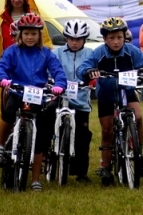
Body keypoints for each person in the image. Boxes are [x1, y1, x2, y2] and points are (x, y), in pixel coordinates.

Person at [0, 13, 67, 192]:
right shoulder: (12, 51)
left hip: (38, 95)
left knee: (38, 139)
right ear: (20, 34)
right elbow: (1, 66)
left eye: (34, 34)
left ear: (40, 35)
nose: (30, 37)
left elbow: (58, 71)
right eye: (26, 33)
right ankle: (1, 145)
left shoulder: (46, 53)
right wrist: (2, 79)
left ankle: (35, 180)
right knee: (9, 111)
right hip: (17, 91)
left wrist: (59, 85)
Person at [78, 17, 143, 186]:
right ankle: (105, 167)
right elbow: (83, 67)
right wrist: (89, 71)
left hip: (127, 91)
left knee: (138, 118)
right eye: (111, 38)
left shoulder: (130, 50)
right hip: (106, 95)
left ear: (124, 37)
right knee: (107, 131)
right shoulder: (98, 52)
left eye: (119, 37)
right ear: (105, 39)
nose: (116, 41)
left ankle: (139, 154)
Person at [0, 0, 52, 151]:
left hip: (32, 70)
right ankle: (3, 146)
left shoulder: (35, 17)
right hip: (7, 71)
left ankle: (37, 148)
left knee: (37, 111)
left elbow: (46, 45)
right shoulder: (0, 18)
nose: (16, 0)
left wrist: (49, 72)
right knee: (8, 109)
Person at [52, 19, 94, 182]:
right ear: (66, 38)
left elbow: (95, 71)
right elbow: (48, 70)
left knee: (83, 136)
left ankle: (81, 173)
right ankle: (48, 157)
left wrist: (93, 79)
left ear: (85, 39)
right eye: (71, 39)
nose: (74, 43)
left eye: (78, 39)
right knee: (48, 123)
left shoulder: (91, 54)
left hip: (81, 101)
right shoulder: (56, 53)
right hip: (59, 97)